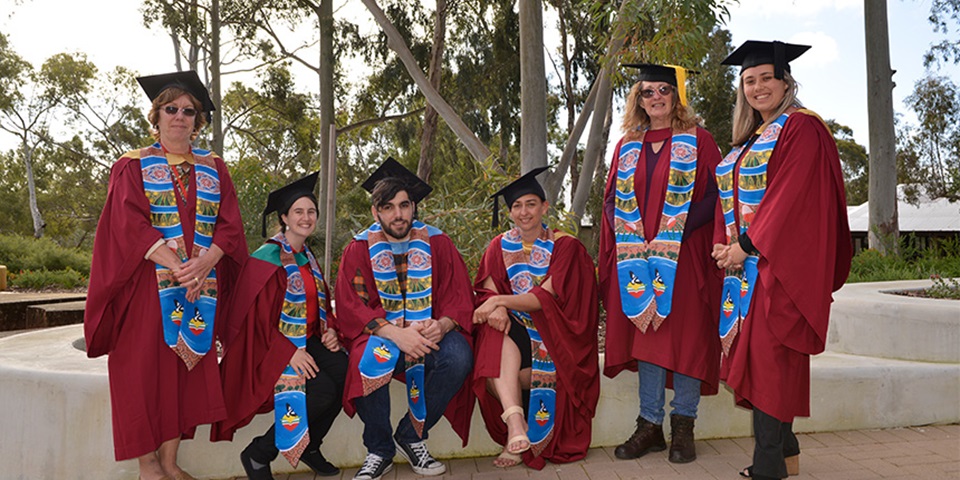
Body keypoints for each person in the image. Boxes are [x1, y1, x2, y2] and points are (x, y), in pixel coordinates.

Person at [83, 70, 247, 480]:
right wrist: (176, 265)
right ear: (156, 116)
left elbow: (230, 226)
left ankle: (171, 461)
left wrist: (205, 263)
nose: (179, 116)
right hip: (147, 285)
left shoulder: (214, 167)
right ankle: (148, 466)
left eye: (188, 111)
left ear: (198, 120)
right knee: (141, 371)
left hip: (200, 285)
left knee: (182, 371)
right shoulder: (132, 165)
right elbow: (128, 224)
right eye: (170, 109)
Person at [711, 41, 852, 480]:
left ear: (786, 81)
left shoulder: (801, 128)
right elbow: (727, 197)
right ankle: (785, 448)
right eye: (749, 81)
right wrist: (724, 245)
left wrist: (747, 247)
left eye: (766, 78)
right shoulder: (750, 138)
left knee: (771, 362)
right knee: (763, 361)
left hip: (779, 269)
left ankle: (771, 464)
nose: (757, 87)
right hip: (745, 269)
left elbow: (789, 199)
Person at [599, 63, 723, 464]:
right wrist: (630, 239)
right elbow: (610, 202)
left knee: (684, 335)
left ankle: (683, 426)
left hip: (682, 255)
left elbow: (717, 196)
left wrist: (678, 232)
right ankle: (650, 425)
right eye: (647, 92)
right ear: (638, 99)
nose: (655, 98)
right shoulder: (626, 145)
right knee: (647, 332)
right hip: (636, 257)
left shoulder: (699, 140)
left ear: (677, 96)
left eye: (663, 90)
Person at [334, 158, 475, 480]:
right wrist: (395, 334)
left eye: (404, 205)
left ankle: (411, 436)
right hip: (383, 334)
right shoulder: (358, 248)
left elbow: (459, 296)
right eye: (388, 207)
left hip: (430, 329)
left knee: (458, 357)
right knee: (364, 360)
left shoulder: (438, 242)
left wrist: (443, 325)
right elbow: (351, 305)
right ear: (375, 211)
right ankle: (379, 449)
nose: (398, 214)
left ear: (414, 207)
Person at [212, 172, 348, 479]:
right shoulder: (266, 259)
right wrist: (288, 353)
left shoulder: (307, 257)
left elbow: (319, 304)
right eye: (298, 211)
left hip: (308, 338)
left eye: (311, 211)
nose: (306, 217)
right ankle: (259, 453)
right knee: (323, 391)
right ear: (284, 217)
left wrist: (330, 331)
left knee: (344, 374)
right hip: (271, 346)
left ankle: (310, 447)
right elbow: (251, 321)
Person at [472, 167, 599, 470]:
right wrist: (498, 308)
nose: (524, 211)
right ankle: (516, 424)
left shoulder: (566, 246)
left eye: (530, 204)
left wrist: (500, 302)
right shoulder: (498, 246)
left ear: (544, 207)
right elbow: (487, 295)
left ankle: (519, 433)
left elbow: (544, 298)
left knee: (497, 352)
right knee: (493, 332)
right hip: (514, 338)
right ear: (510, 212)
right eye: (517, 206)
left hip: (555, 337)